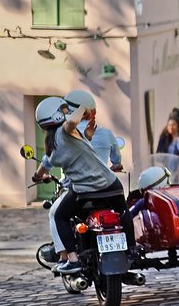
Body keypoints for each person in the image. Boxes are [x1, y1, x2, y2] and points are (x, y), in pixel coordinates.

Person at [33, 96, 135, 275]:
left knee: (59, 216)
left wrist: (37, 176)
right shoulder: (65, 131)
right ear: (56, 115)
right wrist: (84, 107)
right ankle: (132, 249)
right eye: (63, 111)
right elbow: (71, 123)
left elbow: (46, 164)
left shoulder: (51, 146)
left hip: (85, 192)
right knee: (123, 211)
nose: (67, 114)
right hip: (110, 184)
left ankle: (72, 259)